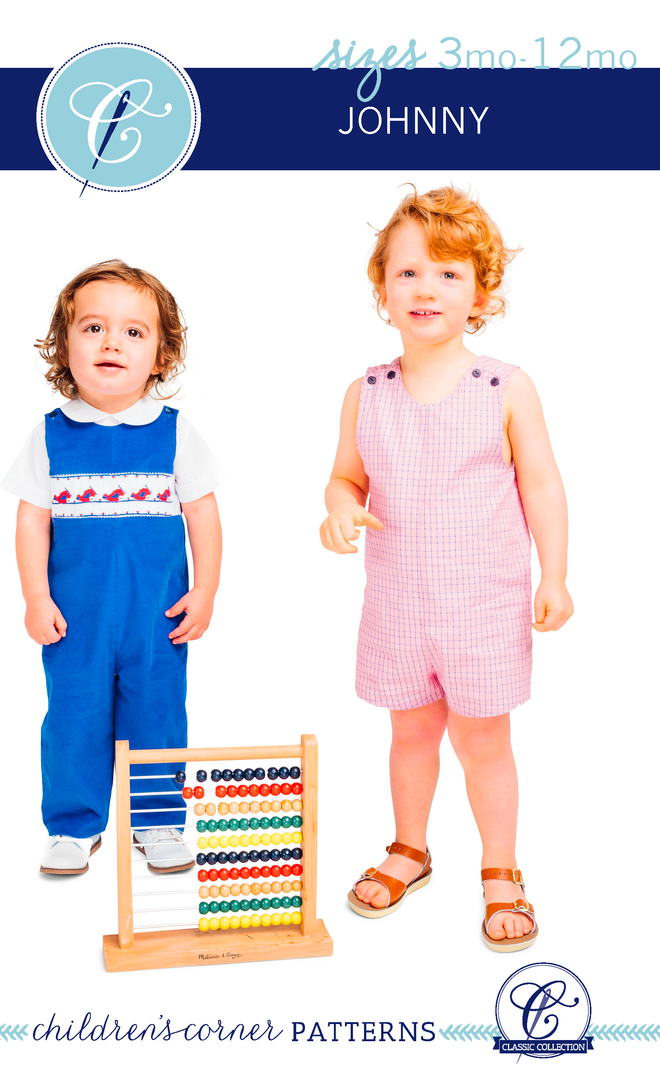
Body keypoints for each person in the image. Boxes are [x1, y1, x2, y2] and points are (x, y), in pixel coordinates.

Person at [319, 187, 573, 951]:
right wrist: (338, 510)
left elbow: (542, 484)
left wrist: (554, 575)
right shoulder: (365, 393)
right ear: (382, 289)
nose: (426, 288)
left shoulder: (505, 387)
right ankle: (410, 847)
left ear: (481, 294)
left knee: (483, 741)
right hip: (398, 608)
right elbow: (345, 478)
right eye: (408, 273)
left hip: (483, 610)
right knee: (409, 733)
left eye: (449, 273)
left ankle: (501, 868)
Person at [2, 260, 223, 876]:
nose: (111, 343)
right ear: (64, 345)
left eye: (133, 332)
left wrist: (205, 590)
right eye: (93, 327)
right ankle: (73, 827)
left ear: (160, 355)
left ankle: (158, 822)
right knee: (74, 717)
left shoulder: (174, 434)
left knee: (157, 715)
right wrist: (35, 597)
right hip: (75, 621)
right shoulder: (50, 436)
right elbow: (30, 522)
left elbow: (203, 515)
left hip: (158, 620)